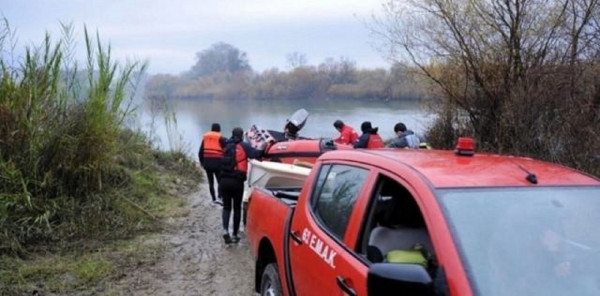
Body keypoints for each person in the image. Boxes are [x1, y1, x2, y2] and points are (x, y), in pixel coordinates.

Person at [220, 127, 264, 244]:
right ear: (241, 136)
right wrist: (264, 148)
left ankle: (225, 230)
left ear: (232, 134)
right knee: (237, 208)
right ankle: (234, 234)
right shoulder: (244, 145)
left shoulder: (224, 145)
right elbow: (255, 154)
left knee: (226, 207)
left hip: (223, 181)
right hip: (236, 182)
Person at [198, 123, 227, 205]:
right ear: (219, 130)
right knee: (220, 182)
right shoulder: (221, 138)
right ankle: (220, 197)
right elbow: (227, 150)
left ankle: (213, 199)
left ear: (211, 129)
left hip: (207, 164)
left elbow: (200, 152)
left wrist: (202, 163)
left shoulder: (205, 139)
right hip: (218, 164)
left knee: (211, 182)